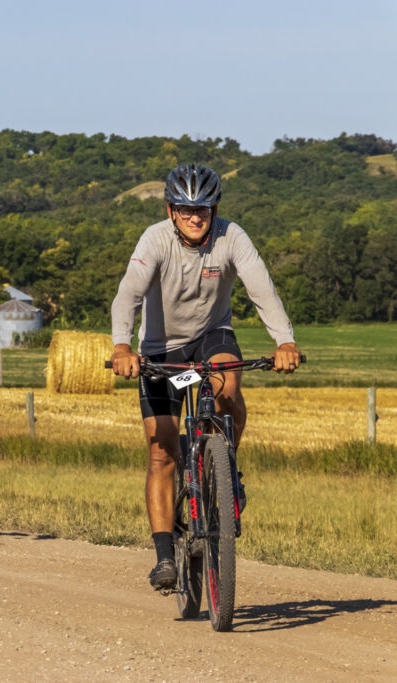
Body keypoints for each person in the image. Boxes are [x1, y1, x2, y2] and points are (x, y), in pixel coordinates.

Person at [109, 163, 302, 590]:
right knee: (161, 448)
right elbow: (128, 294)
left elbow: (261, 289)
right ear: (171, 210)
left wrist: (285, 341)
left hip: (213, 335)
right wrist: (122, 347)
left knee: (228, 387)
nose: (195, 217)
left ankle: (225, 469)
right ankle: (165, 556)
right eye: (186, 209)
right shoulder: (155, 239)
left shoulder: (232, 237)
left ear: (214, 210)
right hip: (161, 349)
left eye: (203, 209)